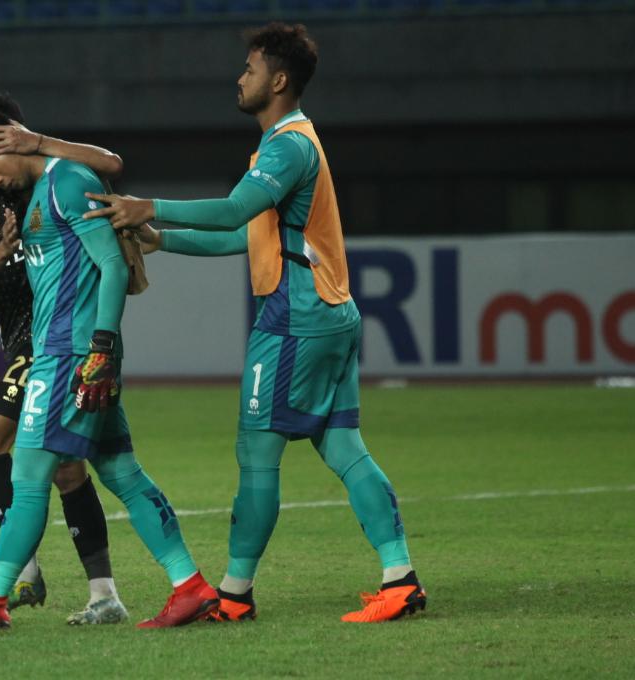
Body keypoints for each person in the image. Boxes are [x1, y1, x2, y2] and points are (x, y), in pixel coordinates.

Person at [84, 22, 427, 623]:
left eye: (249, 68)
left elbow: (236, 208)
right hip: (331, 310)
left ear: (280, 80)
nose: (240, 78)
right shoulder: (293, 143)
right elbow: (250, 235)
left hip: (295, 321)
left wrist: (148, 206)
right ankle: (400, 579)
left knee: (258, 452)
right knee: (344, 447)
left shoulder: (287, 147)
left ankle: (235, 595)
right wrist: (164, 240)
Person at [0, 107, 219, 632]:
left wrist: (101, 347)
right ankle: (189, 587)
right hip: (73, 354)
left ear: (15, 139)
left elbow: (110, 264)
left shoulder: (68, 181)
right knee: (122, 472)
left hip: (69, 357)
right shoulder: (37, 197)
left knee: (29, 475)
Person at [0, 94, 131, 624]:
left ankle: (17, 580)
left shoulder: (41, 175)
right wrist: (3, 249)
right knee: (69, 472)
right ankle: (102, 592)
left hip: (53, 338)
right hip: (29, 338)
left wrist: (40, 145)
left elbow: (110, 166)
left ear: (15, 136)